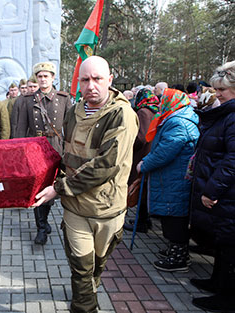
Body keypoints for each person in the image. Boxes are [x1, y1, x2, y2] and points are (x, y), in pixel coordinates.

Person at [33, 56, 138, 313]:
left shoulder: (121, 115)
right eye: (85, 79)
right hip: (75, 208)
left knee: (96, 267)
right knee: (80, 268)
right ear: (78, 83)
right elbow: (67, 156)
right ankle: (84, 307)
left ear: (109, 80)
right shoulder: (73, 112)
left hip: (107, 210)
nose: (91, 85)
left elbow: (105, 165)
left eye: (98, 79)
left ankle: (90, 288)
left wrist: (57, 189)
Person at [137, 88, 199, 272]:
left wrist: (145, 163)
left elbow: (165, 151)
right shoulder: (177, 118)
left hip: (175, 178)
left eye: (164, 100)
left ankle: (179, 257)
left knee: (174, 216)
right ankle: (175, 249)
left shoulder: (178, 122)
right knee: (171, 214)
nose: (160, 103)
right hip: (171, 176)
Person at [190, 61, 235, 312]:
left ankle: (227, 297)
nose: (216, 94)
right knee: (223, 242)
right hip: (224, 194)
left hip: (227, 194)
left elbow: (232, 159)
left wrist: (212, 190)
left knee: (230, 247)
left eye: (222, 91)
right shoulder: (227, 114)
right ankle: (217, 282)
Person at [15, 61, 72, 245]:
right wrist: (19, 151)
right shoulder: (28, 100)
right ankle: (41, 228)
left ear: (53, 78)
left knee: (53, 186)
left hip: (55, 147)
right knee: (38, 188)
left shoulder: (63, 98)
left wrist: (69, 150)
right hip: (36, 148)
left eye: (46, 76)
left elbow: (70, 127)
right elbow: (21, 126)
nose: (42, 79)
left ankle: (44, 220)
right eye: (39, 76)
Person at [123, 88, 159, 233]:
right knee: (143, 187)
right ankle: (142, 219)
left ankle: (141, 221)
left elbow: (142, 136)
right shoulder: (154, 109)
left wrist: (130, 143)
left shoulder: (143, 112)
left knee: (139, 186)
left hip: (143, 153)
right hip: (150, 151)